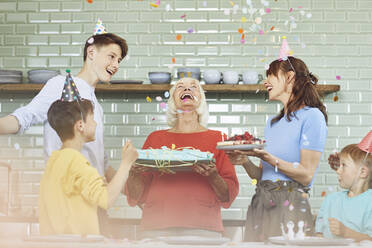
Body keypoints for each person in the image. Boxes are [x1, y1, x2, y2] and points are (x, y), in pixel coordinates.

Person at [0, 32, 127, 180]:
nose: (116, 65)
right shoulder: (61, 84)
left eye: (119, 60)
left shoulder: (96, 107)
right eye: (111, 57)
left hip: (93, 197)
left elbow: (101, 161)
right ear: (91, 52)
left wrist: (131, 190)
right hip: (66, 193)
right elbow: (24, 117)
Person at [226, 56, 328, 241]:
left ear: (289, 77)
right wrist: (244, 161)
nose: (265, 82)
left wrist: (268, 158)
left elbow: (306, 175)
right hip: (261, 202)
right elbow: (261, 176)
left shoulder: (312, 117)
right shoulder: (272, 123)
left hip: (291, 205)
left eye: (271, 75)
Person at [125, 77, 239, 239]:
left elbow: (227, 196)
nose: (187, 89)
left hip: (203, 227)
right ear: (172, 100)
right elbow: (136, 195)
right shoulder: (155, 138)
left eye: (194, 87)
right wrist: (133, 173)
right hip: (156, 227)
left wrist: (213, 176)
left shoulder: (219, 139)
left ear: (201, 100)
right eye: (180, 87)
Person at [39, 98, 138, 235]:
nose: (96, 124)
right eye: (92, 119)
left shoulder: (55, 160)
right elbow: (106, 199)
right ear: (80, 125)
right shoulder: (76, 161)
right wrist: (126, 163)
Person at [315, 143, 372, 242]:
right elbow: (319, 234)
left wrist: (346, 232)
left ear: (362, 172)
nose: (338, 170)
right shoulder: (330, 200)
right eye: (339, 165)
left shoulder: (369, 201)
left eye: (343, 165)